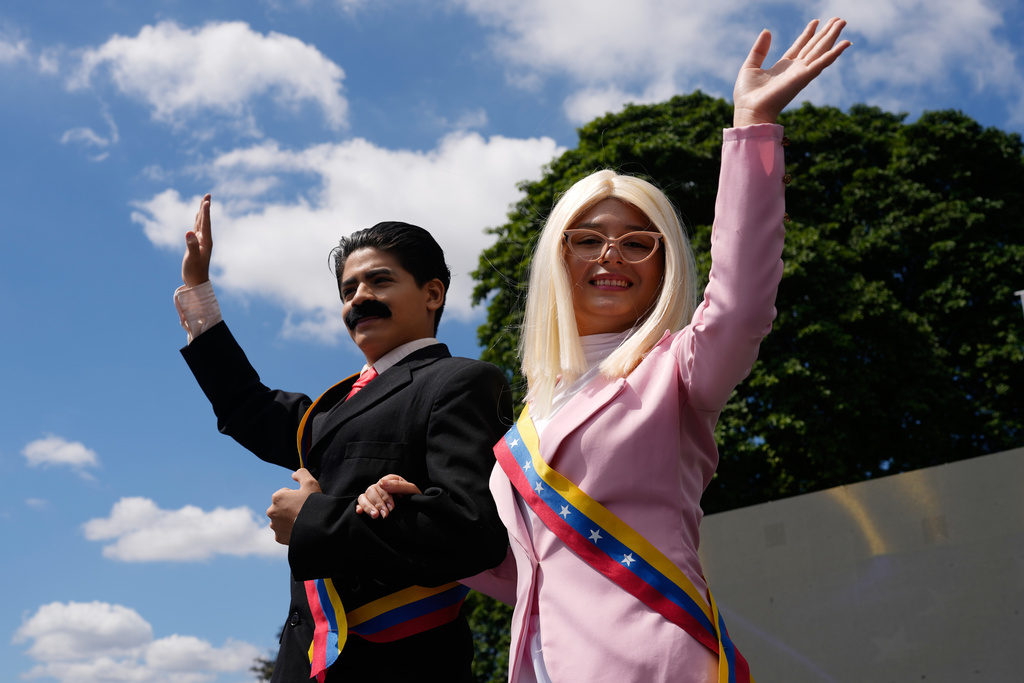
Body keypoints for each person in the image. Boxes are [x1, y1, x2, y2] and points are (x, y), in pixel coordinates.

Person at [356, 18, 851, 682]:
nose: (610, 255)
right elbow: (523, 573)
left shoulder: (681, 369)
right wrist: (412, 511)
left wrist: (753, 126)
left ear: (663, 264)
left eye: (637, 242)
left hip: (658, 664)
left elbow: (741, 300)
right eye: (587, 239)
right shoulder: (528, 417)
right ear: (557, 258)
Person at [174, 211, 513, 681]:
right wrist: (198, 291)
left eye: (380, 281)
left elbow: (471, 529)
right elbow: (246, 407)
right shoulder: (332, 406)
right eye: (348, 290)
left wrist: (313, 520)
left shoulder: (462, 382)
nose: (360, 298)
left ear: (432, 293)